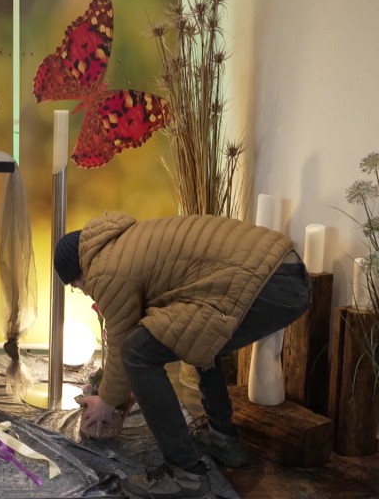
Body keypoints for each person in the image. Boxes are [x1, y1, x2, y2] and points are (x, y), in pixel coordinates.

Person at [53, 212, 311, 499]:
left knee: (137, 351)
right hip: (283, 271)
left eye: (77, 287)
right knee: (189, 332)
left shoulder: (104, 269)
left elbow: (121, 339)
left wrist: (107, 400)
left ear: (78, 272)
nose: (85, 293)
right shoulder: (121, 244)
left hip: (267, 284)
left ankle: (185, 474)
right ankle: (221, 438)